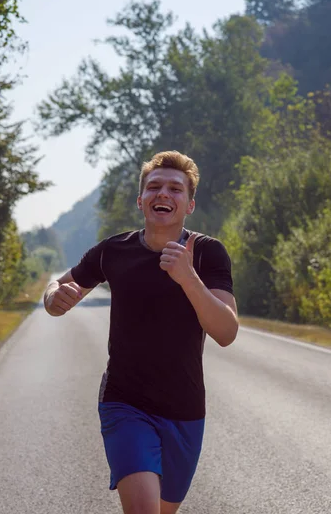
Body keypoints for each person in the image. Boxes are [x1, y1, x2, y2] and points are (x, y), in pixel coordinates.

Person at [43, 150, 238, 514]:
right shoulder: (113, 251)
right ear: (141, 200)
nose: (164, 194)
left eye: (175, 189)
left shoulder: (208, 254)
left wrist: (187, 278)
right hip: (124, 402)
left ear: (189, 204)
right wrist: (52, 297)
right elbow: (59, 285)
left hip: (185, 410)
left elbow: (226, 331)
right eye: (154, 187)